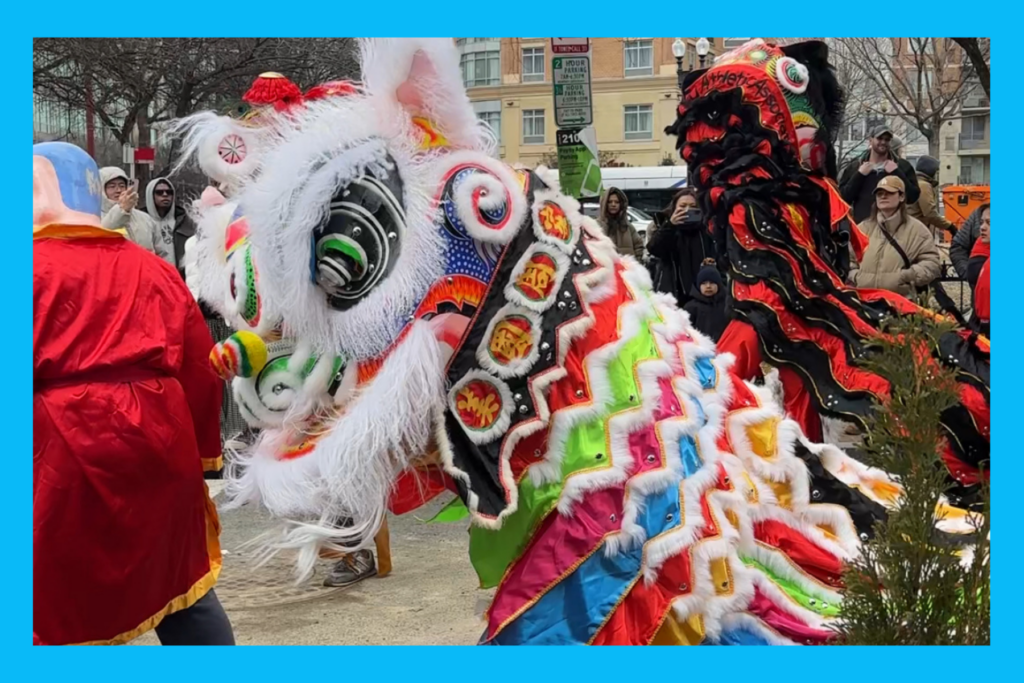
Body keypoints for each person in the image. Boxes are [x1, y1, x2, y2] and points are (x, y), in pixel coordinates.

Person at [33, 142, 232, 645]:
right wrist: (204, 456)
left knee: (52, 600)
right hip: (161, 437)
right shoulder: (153, 267)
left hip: (59, 448)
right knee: (181, 584)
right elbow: (200, 367)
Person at [848, 175, 940, 296]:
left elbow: (931, 263)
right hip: (865, 301)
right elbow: (849, 259)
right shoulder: (862, 228)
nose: (883, 196)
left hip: (900, 302)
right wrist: (856, 277)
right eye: (879, 193)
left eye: (889, 193)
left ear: (901, 197)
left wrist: (906, 276)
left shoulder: (918, 230)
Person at [646, 188, 718, 307]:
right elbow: (654, 249)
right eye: (682, 206)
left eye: (693, 206)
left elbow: (717, 255)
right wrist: (670, 225)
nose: (687, 210)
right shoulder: (664, 225)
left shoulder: (706, 229)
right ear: (674, 208)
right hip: (672, 291)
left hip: (702, 293)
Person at [839, 124, 920, 223]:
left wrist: (897, 172)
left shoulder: (902, 166)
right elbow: (843, 198)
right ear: (870, 140)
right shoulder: (855, 167)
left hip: (893, 227)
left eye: (887, 139)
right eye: (879, 138)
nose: (883, 142)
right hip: (863, 227)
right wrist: (859, 175)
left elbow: (913, 197)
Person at [145, 176, 196, 274]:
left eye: (169, 192)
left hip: (180, 276)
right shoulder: (142, 221)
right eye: (159, 192)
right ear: (150, 195)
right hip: (154, 275)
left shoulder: (185, 221)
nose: (165, 195)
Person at [99, 167, 156, 252]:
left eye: (122, 186)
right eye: (112, 186)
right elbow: (102, 235)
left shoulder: (145, 218)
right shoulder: (95, 218)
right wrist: (122, 209)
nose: (118, 190)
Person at [907, 155, 957, 241]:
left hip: (913, 231)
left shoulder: (916, 182)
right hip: (916, 233)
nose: (937, 174)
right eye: (936, 171)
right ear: (930, 170)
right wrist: (950, 226)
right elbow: (930, 213)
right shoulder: (923, 185)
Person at [682, 265, 727, 341]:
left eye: (712, 283)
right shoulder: (691, 307)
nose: (708, 286)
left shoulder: (727, 305)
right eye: (704, 283)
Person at [598, 187, 643, 260]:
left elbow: (639, 246)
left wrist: (636, 262)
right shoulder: (596, 227)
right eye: (610, 202)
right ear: (604, 204)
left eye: (617, 202)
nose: (613, 204)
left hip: (626, 266)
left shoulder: (628, 227)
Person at [967, 204, 990, 337]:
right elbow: (973, 273)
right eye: (982, 222)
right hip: (982, 323)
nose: (982, 227)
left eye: (989, 223)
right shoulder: (981, 244)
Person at [950, 204, 987, 280]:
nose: (982, 227)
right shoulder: (979, 213)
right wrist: (969, 274)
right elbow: (958, 247)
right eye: (981, 222)